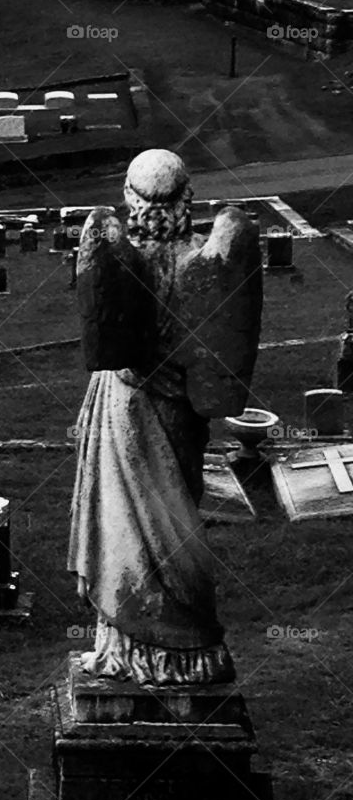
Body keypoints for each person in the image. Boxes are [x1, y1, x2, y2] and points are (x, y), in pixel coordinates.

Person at [68, 149, 262, 686]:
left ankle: (144, 647)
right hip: (178, 412)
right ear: (186, 199)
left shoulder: (119, 253)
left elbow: (106, 335)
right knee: (177, 512)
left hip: (126, 405)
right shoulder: (206, 259)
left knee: (131, 526)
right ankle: (181, 650)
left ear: (130, 199)